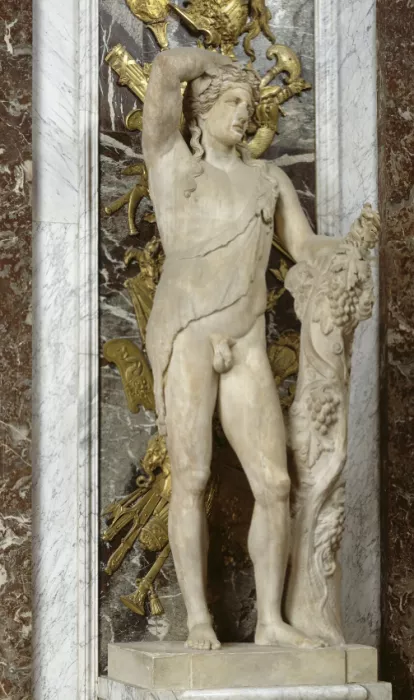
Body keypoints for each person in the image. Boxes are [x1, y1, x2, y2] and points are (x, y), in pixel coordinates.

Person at [142, 48, 337, 650]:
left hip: (247, 338)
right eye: (231, 102)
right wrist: (214, 62)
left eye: (248, 105)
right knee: (193, 475)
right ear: (201, 111)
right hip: (188, 335)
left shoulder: (269, 180)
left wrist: (346, 251)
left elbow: (305, 248)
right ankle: (198, 619)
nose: (243, 114)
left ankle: (270, 621)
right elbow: (163, 74)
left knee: (275, 484)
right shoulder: (172, 163)